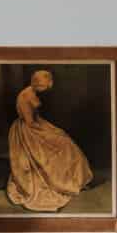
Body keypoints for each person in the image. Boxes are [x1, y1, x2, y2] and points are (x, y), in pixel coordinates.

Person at [6, 69, 93, 211]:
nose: (45, 89)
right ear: (37, 84)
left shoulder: (32, 91)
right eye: (44, 86)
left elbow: (36, 119)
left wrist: (53, 130)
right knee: (62, 144)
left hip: (37, 125)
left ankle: (73, 181)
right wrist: (51, 132)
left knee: (65, 141)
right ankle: (63, 183)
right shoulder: (24, 97)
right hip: (29, 132)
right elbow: (30, 123)